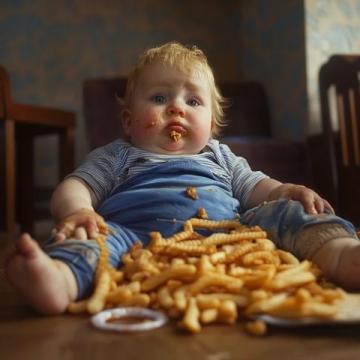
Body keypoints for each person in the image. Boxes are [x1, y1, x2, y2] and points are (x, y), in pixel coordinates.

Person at [4, 42, 360, 315]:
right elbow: (75, 186)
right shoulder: (118, 155)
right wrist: (76, 211)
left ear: (212, 125)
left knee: (284, 213)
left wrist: (285, 189)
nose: (177, 107)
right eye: (160, 97)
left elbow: (256, 187)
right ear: (128, 121)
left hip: (229, 233)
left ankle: (341, 255)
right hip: (133, 237)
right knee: (90, 239)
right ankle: (58, 280)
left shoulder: (219, 155)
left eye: (193, 100)